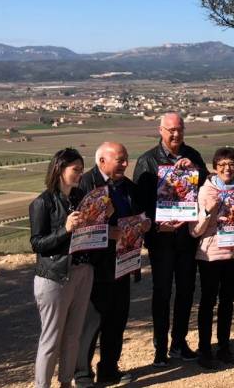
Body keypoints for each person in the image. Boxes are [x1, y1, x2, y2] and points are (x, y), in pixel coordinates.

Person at [132, 112, 209, 366]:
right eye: (171, 130)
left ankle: (179, 342)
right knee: (162, 292)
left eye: (180, 129)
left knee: (186, 291)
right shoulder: (147, 161)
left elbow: (207, 189)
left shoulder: (194, 155)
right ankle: (160, 347)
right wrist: (156, 224)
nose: (176, 134)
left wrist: (195, 171)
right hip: (161, 240)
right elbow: (139, 203)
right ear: (160, 130)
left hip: (186, 238)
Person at [75, 143, 142, 386]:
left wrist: (141, 223)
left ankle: (109, 369)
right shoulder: (86, 184)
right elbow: (80, 226)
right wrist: (107, 232)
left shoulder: (127, 187)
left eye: (126, 160)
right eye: (120, 160)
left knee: (117, 320)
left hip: (124, 262)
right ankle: (82, 373)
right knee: (92, 322)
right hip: (96, 265)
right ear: (102, 161)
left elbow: (138, 212)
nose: (125, 164)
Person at [30, 148, 93, 388]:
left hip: (82, 271)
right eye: (75, 169)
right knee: (51, 339)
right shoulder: (42, 203)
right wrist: (65, 229)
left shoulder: (79, 198)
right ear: (59, 169)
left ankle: (66, 382)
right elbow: (37, 244)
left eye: (81, 169)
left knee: (73, 336)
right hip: (55, 277)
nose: (80, 174)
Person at [190, 147, 234, 370]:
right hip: (211, 255)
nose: (227, 169)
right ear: (215, 167)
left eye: (231, 164)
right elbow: (195, 231)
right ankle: (205, 349)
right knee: (208, 302)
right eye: (222, 165)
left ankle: (224, 347)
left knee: (228, 301)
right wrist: (209, 212)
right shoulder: (205, 191)